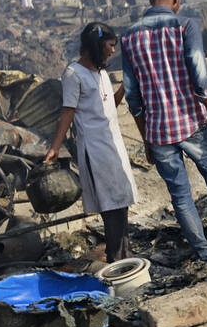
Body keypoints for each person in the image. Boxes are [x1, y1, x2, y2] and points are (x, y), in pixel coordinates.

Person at [121, 0, 207, 267]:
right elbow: (201, 82)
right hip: (191, 123)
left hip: (159, 132)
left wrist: (147, 138)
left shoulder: (128, 37)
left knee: (181, 197)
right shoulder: (186, 26)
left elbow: (132, 97)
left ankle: (205, 257)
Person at [45, 22, 138, 263]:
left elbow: (108, 109)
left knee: (122, 202)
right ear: (96, 46)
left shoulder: (102, 73)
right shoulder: (74, 74)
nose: (112, 51)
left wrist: (124, 88)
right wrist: (55, 147)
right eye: (109, 45)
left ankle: (124, 253)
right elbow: (68, 112)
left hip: (114, 145)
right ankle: (116, 257)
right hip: (96, 151)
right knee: (110, 207)